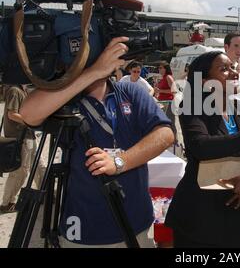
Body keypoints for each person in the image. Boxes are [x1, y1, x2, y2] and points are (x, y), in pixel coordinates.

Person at [20, 37, 175, 247]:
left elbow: (165, 134)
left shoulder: (131, 91)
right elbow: (28, 113)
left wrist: (120, 161)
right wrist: (93, 71)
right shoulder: (64, 99)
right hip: (84, 228)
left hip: (137, 222)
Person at [165, 51, 240, 248]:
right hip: (198, 213)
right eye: (224, 69)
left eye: (232, 66)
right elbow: (201, 146)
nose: (233, 72)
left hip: (235, 210)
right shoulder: (192, 108)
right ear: (205, 81)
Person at [0, 84, 46, 213]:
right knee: (20, 171)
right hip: (20, 138)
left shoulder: (22, 90)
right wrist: (32, 122)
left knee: (39, 165)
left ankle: (45, 194)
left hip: (28, 136)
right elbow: (12, 114)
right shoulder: (15, 90)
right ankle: (7, 203)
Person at [154, 61, 178, 144]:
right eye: (159, 68)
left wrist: (160, 90)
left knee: (170, 122)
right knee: (164, 122)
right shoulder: (163, 77)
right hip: (163, 102)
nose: (159, 69)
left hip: (169, 102)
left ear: (165, 68)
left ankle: (175, 141)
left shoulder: (168, 77)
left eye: (161, 68)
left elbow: (174, 90)